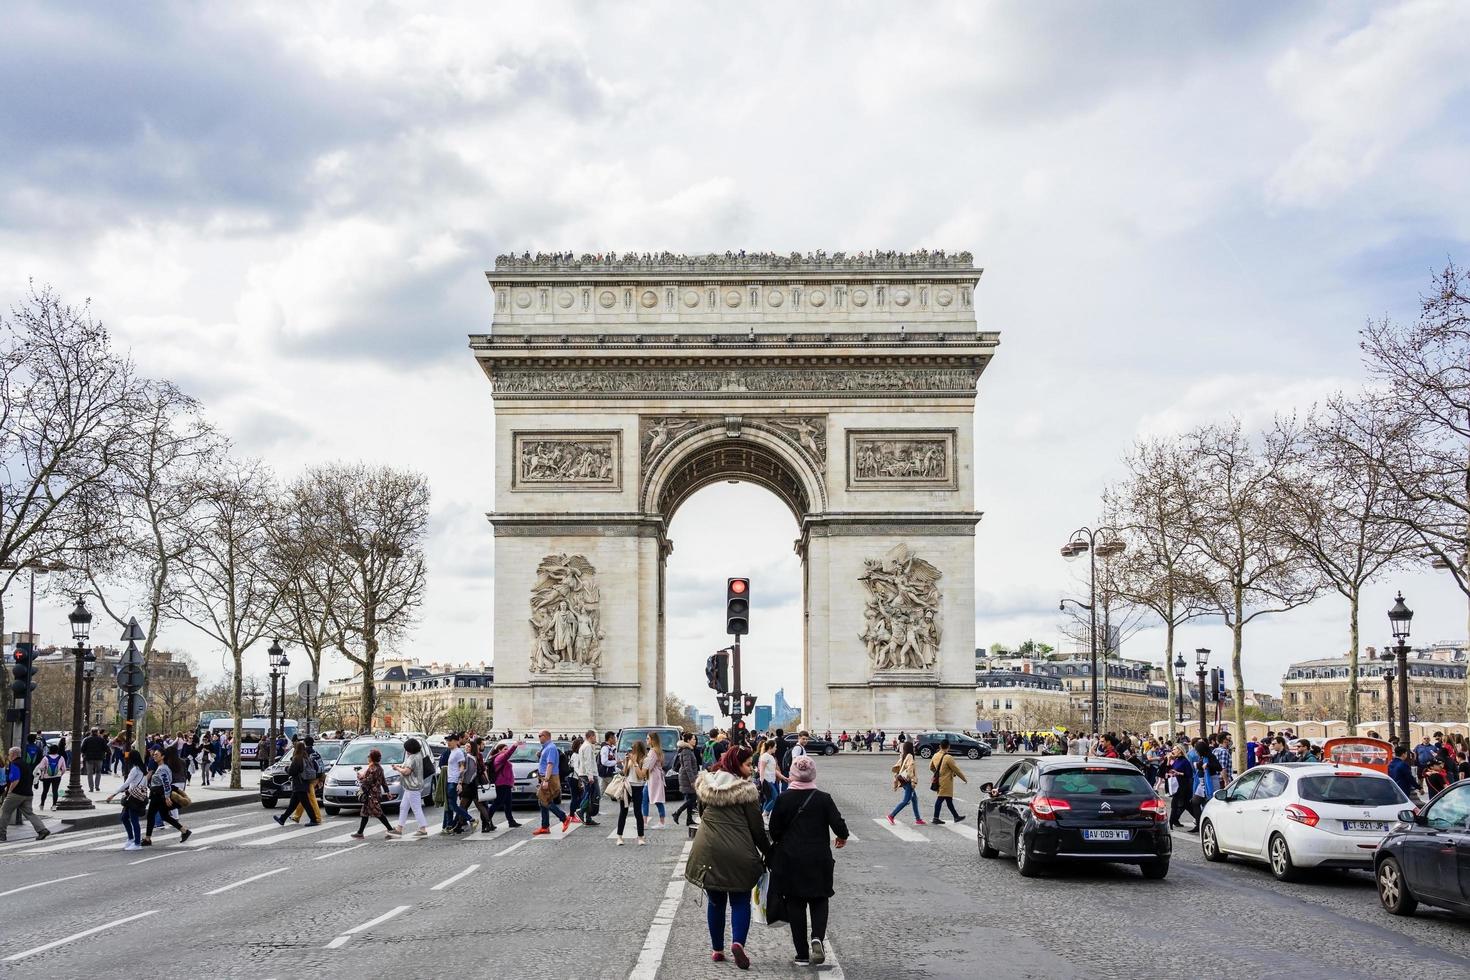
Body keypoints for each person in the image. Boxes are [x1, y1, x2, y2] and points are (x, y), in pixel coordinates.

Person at [685, 746, 770, 970]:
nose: (750, 768)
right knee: (740, 901)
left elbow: (702, 814)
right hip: (738, 853)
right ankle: (737, 943)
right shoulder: (747, 791)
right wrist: (769, 853)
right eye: (747, 764)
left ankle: (717, 950)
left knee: (715, 901)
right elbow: (756, 828)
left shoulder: (706, 785)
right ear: (735, 765)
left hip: (708, 849)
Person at [769, 755, 849, 966]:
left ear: (793, 774)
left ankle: (802, 954)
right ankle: (817, 938)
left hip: (791, 859)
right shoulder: (824, 798)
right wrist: (841, 838)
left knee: (795, 903)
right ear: (813, 774)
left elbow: (774, 831)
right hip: (818, 857)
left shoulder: (783, 798)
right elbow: (840, 826)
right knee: (819, 899)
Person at [141, 747, 190, 846]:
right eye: (154, 754)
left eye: (157, 755)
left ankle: (147, 838)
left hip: (158, 795)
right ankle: (184, 830)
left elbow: (166, 784)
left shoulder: (163, 768)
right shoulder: (162, 767)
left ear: (162, 757)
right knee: (164, 815)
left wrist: (167, 797)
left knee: (151, 815)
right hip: (159, 794)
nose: (154, 756)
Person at [0, 745, 49, 842]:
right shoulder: (26, 764)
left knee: (4, 812)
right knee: (29, 813)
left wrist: (9, 791)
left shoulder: (14, 764)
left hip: (16, 794)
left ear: (13, 754)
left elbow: (15, 779)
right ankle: (42, 830)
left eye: (9, 754)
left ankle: (2, 834)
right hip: (28, 794)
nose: (9, 756)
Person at [352, 748, 399, 840]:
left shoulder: (373, 768)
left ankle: (390, 829)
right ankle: (360, 832)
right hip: (374, 793)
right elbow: (384, 782)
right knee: (365, 813)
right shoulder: (379, 768)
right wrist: (387, 792)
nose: (367, 757)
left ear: (372, 758)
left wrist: (360, 778)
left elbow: (368, 781)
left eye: (369, 756)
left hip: (371, 794)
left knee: (378, 812)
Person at [105, 749, 148, 850]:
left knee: (133, 820)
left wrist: (113, 794)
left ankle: (137, 843)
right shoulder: (142, 768)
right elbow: (144, 784)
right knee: (124, 817)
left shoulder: (135, 770)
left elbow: (126, 784)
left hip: (133, 798)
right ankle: (131, 839)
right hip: (137, 797)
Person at [533, 729, 570, 836]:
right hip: (545, 777)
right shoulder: (546, 748)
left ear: (546, 736)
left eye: (540, 736)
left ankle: (563, 818)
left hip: (549, 778)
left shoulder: (551, 748)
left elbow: (550, 764)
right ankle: (545, 826)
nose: (539, 737)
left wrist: (546, 780)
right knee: (543, 800)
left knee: (544, 800)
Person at [394, 737, 432, 836]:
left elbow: (406, 772)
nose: (406, 751)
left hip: (412, 786)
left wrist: (397, 768)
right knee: (403, 807)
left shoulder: (412, 758)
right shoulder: (418, 755)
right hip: (412, 786)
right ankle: (399, 828)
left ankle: (422, 828)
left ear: (410, 749)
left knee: (416, 808)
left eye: (406, 749)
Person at [616, 740, 649, 845]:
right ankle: (619, 837)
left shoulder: (645, 760)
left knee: (638, 812)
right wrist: (626, 762)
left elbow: (641, 776)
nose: (631, 751)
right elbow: (624, 772)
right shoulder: (630, 758)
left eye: (633, 749)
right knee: (623, 812)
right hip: (627, 787)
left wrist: (635, 763)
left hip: (638, 787)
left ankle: (640, 837)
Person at [286, 736, 325, 825]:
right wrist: (321, 779)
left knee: (310, 798)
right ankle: (296, 816)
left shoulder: (304, 752)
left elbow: (296, 763)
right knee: (304, 798)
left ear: (305, 742)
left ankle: (317, 818)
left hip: (308, 778)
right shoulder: (315, 752)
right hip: (316, 776)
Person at [274, 742, 314, 827]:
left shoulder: (297, 758)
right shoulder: (306, 757)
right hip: (304, 782)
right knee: (293, 804)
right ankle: (282, 819)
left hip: (299, 783)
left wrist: (286, 769)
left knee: (306, 803)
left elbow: (292, 771)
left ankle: (314, 819)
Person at [929, 740, 967, 824]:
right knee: (940, 799)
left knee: (948, 800)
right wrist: (964, 778)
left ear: (940, 746)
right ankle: (935, 817)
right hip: (946, 782)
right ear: (948, 747)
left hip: (939, 780)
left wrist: (938, 773)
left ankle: (956, 816)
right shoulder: (948, 757)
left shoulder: (935, 755)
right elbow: (956, 769)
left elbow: (931, 767)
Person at [887, 739, 924, 825]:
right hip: (908, 781)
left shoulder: (904, 755)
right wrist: (912, 780)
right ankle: (891, 815)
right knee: (906, 801)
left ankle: (918, 819)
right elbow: (910, 768)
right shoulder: (910, 756)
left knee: (914, 799)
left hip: (903, 779)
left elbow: (898, 767)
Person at [490, 740, 522, 829]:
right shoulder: (500, 757)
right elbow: (508, 754)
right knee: (497, 803)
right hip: (501, 784)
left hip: (506, 784)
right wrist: (514, 746)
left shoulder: (502, 758)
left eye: (507, 749)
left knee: (508, 804)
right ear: (499, 750)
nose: (507, 750)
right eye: (505, 749)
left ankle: (511, 821)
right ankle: (487, 820)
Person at [672, 733, 701, 828]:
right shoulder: (687, 751)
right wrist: (693, 781)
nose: (695, 740)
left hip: (688, 777)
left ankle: (689, 819)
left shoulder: (689, 750)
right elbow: (687, 767)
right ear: (688, 740)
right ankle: (677, 812)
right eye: (693, 739)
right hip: (687, 778)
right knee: (693, 798)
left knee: (690, 798)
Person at [442, 733, 469, 835]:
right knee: (449, 806)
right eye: (447, 740)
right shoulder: (451, 751)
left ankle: (470, 819)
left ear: (456, 741)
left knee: (452, 805)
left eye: (450, 740)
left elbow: (462, 767)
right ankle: (449, 827)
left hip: (454, 781)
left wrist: (459, 782)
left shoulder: (458, 752)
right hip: (450, 780)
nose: (448, 742)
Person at [576, 729, 601, 826]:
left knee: (590, 795)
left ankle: (588, 818)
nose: (596, 739)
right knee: (593, 795)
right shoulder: (587, 747)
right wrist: (590, 776)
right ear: (591, 737)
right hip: (589, 775)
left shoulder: (585, 746)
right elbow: (588, 762)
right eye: (595, 737)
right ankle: (581, 812)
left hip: (585, 773)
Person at [644, 732, 668, 829]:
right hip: (654, 778)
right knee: (646, 798)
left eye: (648, 738)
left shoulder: (653, 751)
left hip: (653, 778)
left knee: (657, 800)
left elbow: (649, 766)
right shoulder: (658, 751)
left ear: (652, 740)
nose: (646, 740)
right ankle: (645, 822)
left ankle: (661, 823)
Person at [37, 741, 66, 809]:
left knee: (45, 791)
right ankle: (54, 805)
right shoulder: (61, 757)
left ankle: (42, 804)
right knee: (55, 791)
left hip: (47, 776)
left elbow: (41, 767)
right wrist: (60, 774)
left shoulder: (45, 758)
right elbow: (64, 768)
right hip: (57, 776)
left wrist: (44, 771)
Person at [81, 728, 108, 792]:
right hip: (99, 758)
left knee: (90, 773)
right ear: (97, 732)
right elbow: (106, 748)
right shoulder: (101, 739)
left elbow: (82, 749)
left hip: (89, 758)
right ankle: (97, 786)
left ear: (91, 732)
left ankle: (91, 788)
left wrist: (85, 754)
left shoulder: (87, 739)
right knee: (98, 773)